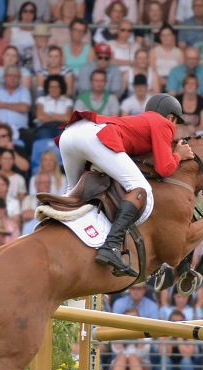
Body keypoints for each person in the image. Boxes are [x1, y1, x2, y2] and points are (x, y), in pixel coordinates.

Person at [54, 93, 194, 278]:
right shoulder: (163, 123)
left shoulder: (142, 120)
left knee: (73, 197)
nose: (173, 127)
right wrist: (179, 155)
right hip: (93, 137)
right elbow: (164, 168)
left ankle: (59, 238)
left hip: (71, 134)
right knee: (141, 189)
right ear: (170, 117)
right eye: (174, 122)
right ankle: (111, 246)